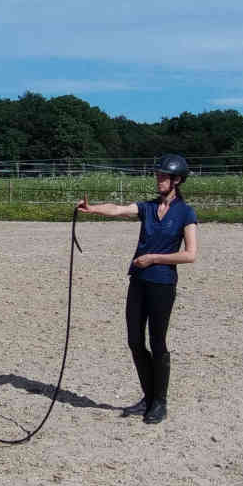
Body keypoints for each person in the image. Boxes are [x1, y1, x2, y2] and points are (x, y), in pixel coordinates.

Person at [76, 153, 199, 424]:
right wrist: (93, 208)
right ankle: (148, 396)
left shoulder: (185, 213)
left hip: (162, 283)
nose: (159, 179)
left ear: (177, 180)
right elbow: (119, 209)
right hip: (139, 281)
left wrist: (154, 258)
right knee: (134, 341)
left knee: (157, 343)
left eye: (163, 176)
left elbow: (190, 254)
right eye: (158, 175)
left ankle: (160, 401)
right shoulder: (148, 208)